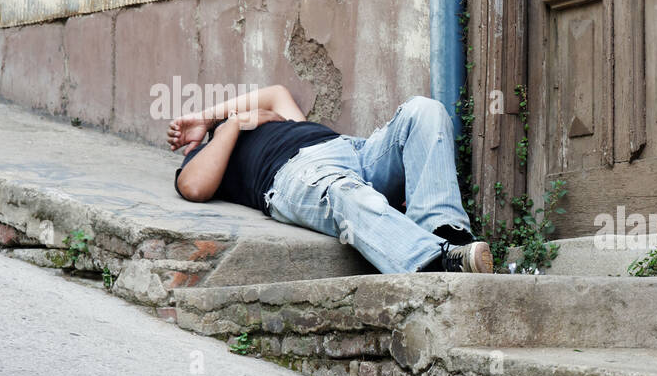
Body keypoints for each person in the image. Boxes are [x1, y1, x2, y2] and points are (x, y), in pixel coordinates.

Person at [168, 85, 491, 274]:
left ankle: (448, 235)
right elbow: (194, 187)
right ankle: (433, 261)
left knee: (424, 110)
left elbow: (275, 93)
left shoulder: (281, 120)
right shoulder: (219, 148)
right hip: (300, 173)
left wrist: (205, 115)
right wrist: (231, 125)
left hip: (355, 150)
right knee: (346, 193)